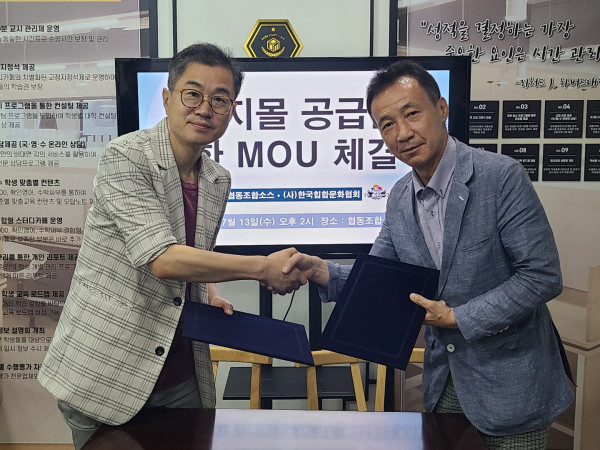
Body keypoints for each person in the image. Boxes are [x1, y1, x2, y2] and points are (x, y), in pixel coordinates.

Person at [282, 60, 574, 449]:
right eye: (387, 124)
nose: (402, 133)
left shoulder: (500, 177)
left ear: (441, 108)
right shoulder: (400, 197)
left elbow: (541, 276)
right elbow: (380, 279)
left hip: (512, 387)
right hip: (444, 384)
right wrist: (321, 271)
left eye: (412, 114)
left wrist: (457, 317)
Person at [38, 43, 306, 449]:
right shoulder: (126, 156)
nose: (205, 109)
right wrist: (261, 268)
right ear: (167, 98)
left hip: (180, 372)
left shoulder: (217, 178)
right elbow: (162, 258)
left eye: (220, 99)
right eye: (192, 94)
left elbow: (194, 249)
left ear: (232, 110)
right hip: (106, 371)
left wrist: (208, 290)